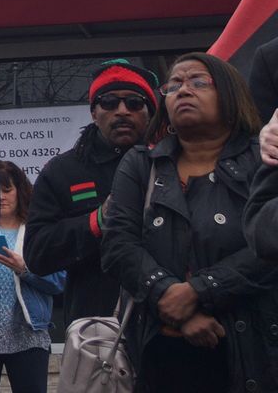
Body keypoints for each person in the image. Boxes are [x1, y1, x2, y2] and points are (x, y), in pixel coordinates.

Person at [102, 52, 278, 393]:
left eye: (199, 82)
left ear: (230, 94)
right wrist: (172, 302)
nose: (183, 91)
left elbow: (270, 243)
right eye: (174, 85)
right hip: (161, 351)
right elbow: (118, 245)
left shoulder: (264, 158)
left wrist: (200, 289)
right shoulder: (140, 164)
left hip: (255, 349)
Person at [25, 58, 156, 328]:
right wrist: (98, 220)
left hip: (165, 321)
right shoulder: (62, 171)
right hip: (96, 327)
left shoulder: (172, 164)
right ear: (94, 113)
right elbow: (37, 255)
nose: (122, 111)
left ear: (149, 113)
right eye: (108, 102)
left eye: (134, 103)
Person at [0, 161, 65, 393]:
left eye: (6, 190)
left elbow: (58, 282)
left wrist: (24, 269)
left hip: (28, 337)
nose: (1, 197)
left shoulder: (36, 231)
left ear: (20, 190)